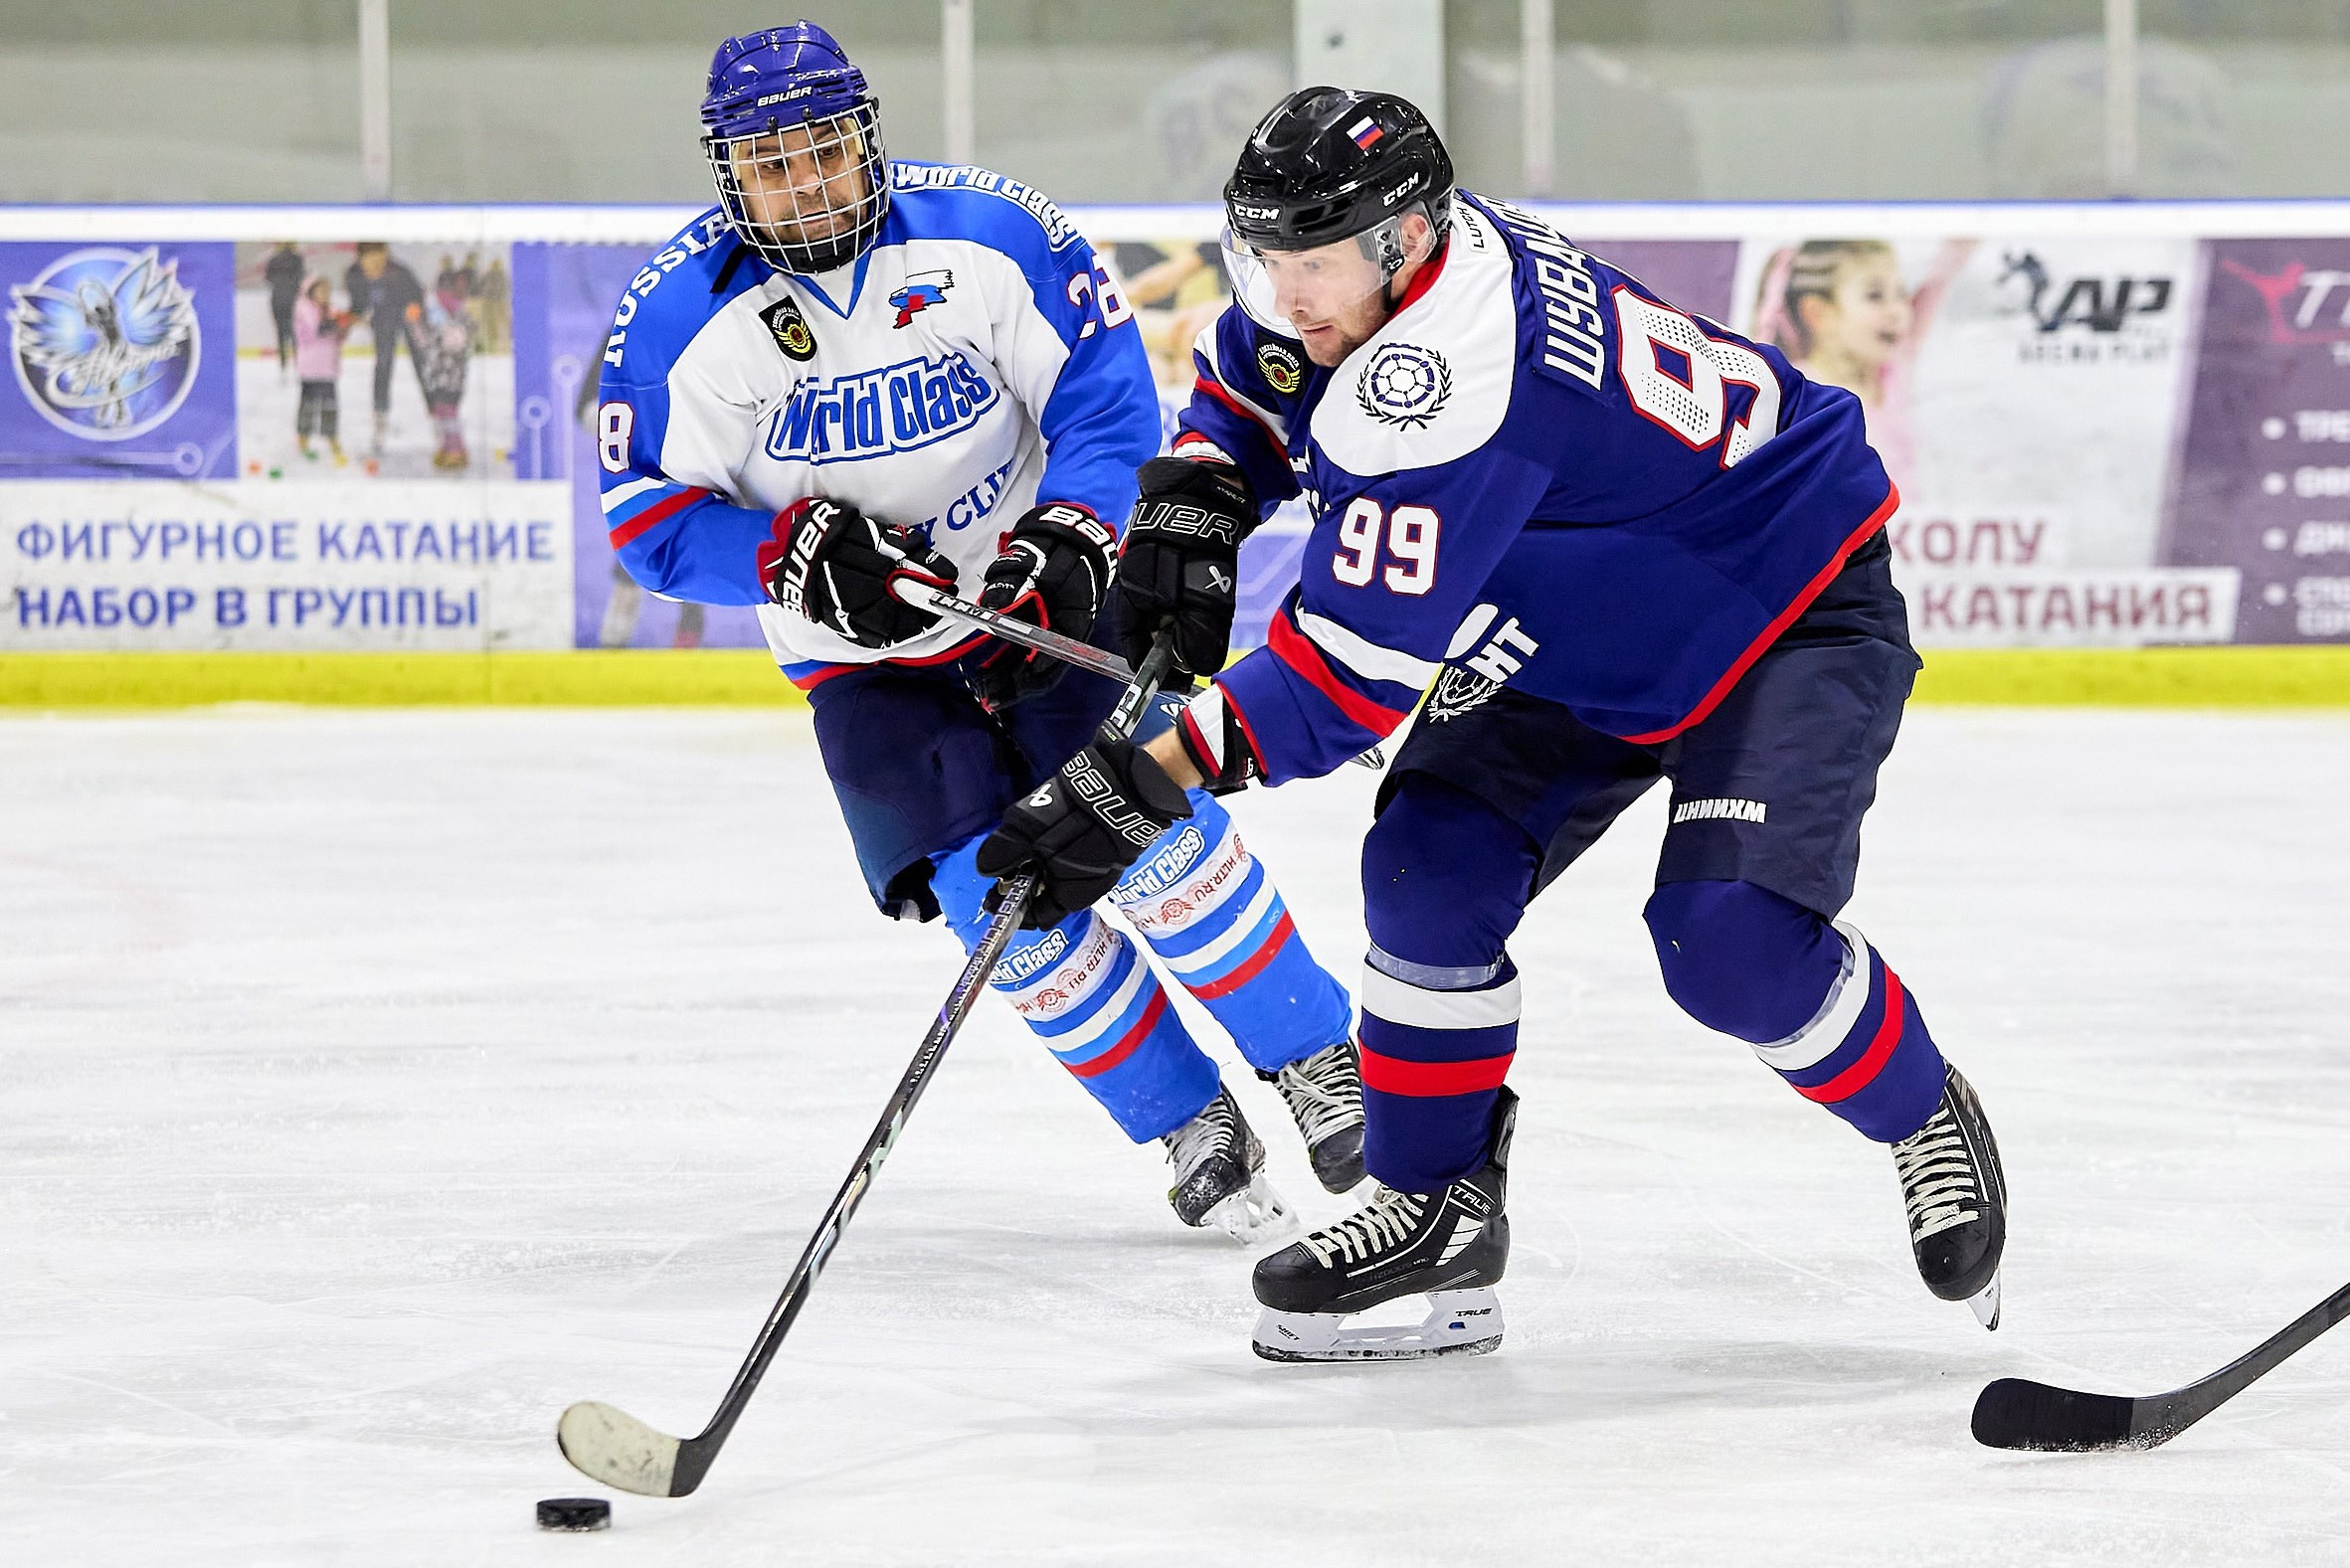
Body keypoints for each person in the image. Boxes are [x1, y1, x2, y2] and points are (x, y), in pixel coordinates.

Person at [977, 87, 2010, 1359]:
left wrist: (1139, 783)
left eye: (1316, 264)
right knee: (1425, 868)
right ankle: (1436, 1203)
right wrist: (1198, 492)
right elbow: (1256, 383)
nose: (1288, 290)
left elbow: (1342, 682)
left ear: (1406, 241)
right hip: (1570, 606)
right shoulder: (1359, 269)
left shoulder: (1446, 376)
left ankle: (1920, 1112)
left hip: (1770, 601)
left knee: (1727, 944)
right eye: (1271, 257)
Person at [592, 23, 1367, 1239]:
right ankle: (1183, 1118)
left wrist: (1071, 532)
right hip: (864, 659)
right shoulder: (677, 319)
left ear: (868, 141)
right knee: (992, 894)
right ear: (728, 175)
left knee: (1146, 826)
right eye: (771, 164)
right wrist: (778, 554)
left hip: (1031, 597)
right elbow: (643, 519)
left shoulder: (990, 233)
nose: (805, 184)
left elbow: (1103, 394)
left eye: (823, 152)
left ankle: (1319, 1059)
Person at [1751, 238, 1972, 496]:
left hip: (1896, 531)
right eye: (1875, 296)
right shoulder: (1802, 391)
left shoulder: (1892, 370)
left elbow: (1936, 286)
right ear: (1819, 313)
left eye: (1901, 294)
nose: (1898, 311)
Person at [348, 243, 426, 455]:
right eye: (369, 257)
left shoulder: (400, 273)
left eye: (380, 255)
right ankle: (380, 417)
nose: (374, 262)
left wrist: (415, 311)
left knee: (422, 365)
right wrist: (351, 317)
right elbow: (358, 304)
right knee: (382, 366)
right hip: (383, 321)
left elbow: (418, 296)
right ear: (361, 258)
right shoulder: (355, 274)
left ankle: (436, 415)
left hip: (408, 320)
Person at [290, 275, 350, 464]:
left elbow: (338, 337)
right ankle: (303, 438)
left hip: (328, 367)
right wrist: (339, 322)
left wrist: (344, 327)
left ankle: (331, 436)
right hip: (310, 366)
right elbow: (317, 329)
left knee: (330, 405)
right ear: (311, 291)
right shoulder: (304, 307)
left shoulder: (331, 309)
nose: (325, 294)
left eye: (328, 291)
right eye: (321, 290)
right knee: (308, 405)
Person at [264, 242, 305, 376]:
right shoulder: (297, 259)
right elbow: (301, 277)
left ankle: (283, 366)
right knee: (294, 332)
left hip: (277, 299)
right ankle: (298, 364)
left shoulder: (274, 259)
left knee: (281, 333)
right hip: (293, 300)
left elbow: (268, 278)